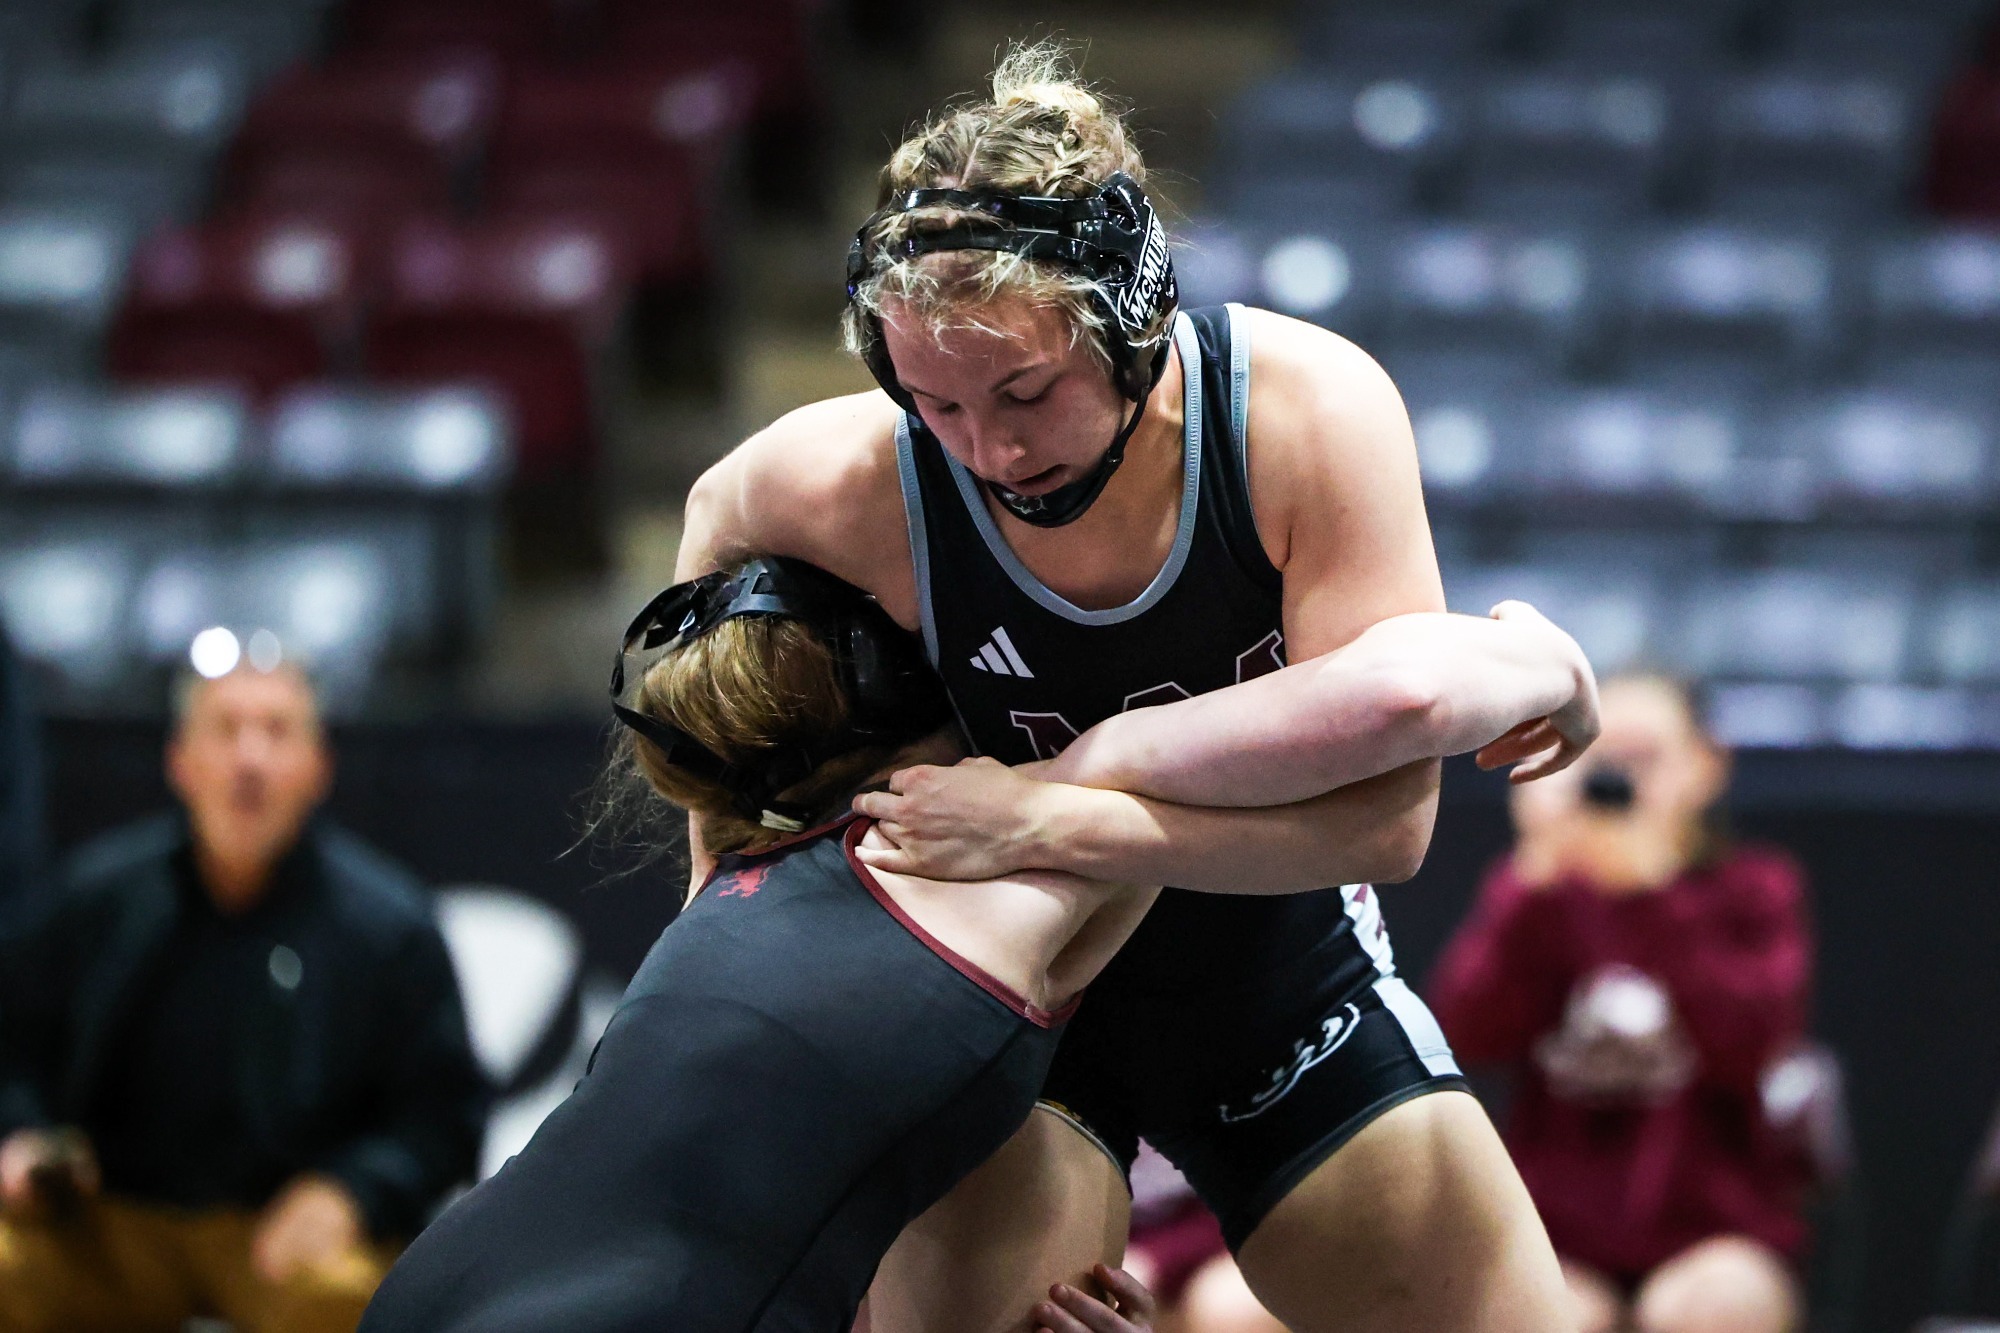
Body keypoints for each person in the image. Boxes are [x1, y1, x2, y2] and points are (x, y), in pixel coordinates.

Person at [677, 41, 1594, 1332]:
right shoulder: (848, 485)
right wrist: (717, 903)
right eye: (931, 401)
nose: (987, 450)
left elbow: (1388, 829)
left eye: (1025, 391)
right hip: (1020, 998)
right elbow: (714, 519)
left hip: (1274, 979)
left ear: (1133, 315)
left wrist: (1051, 814)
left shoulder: (1304, 422)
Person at [360, 555, 1598, 1332]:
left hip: (444, 1278)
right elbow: (1402, 703)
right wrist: (1547, 656)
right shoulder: (962, 884)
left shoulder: (724, 892)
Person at [0, 659, 488, 1333]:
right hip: (114, 1219)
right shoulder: (101, 902)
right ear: (180, 760)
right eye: (226, 729)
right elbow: (15, 1048)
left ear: (318, 766)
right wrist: (21, 1141)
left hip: (281, 1232)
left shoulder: (386, 927)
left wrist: (354, 1190)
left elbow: (445, 1114)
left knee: (364, 1302)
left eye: (277, 730)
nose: (249, 757)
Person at [1428, 674, 1815, 1333]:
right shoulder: (1544, 891)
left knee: (1710, 1309)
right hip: (1560, 1229)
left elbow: (1748, 1043)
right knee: (1537, 1314)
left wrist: (1655, 894)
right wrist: (1527, 884)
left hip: (1715, 1226)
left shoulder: (1755, 890)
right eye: (1602, 762)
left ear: (1706, 765)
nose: (1621, 786)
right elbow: (1466, 1031)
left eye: (1644, 760)